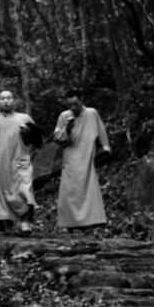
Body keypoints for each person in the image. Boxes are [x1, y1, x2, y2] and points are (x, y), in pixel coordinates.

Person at [0, 90, 37, 233]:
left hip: (21, 160)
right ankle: (7, 225)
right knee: (2, 193)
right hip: (0, 162)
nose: (6, 101)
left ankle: (25, 221)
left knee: (25, 189)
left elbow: (37, 139)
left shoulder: (24, 118)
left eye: (9, 98)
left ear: (14, 101)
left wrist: (31, 149)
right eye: (2, 99)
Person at [52, 89, 111, 231]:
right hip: (70, 156)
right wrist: (67, 129)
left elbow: (101, 130)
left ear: (81, 100)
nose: (73, 108)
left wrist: (105, 147)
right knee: (70, 189)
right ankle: (70, 223)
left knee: (88, 186)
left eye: (75, 104)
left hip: (86, 154)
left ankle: (92, 220)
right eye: (70, 105)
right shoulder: (64, 116)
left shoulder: (91, 113)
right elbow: (56, 137)